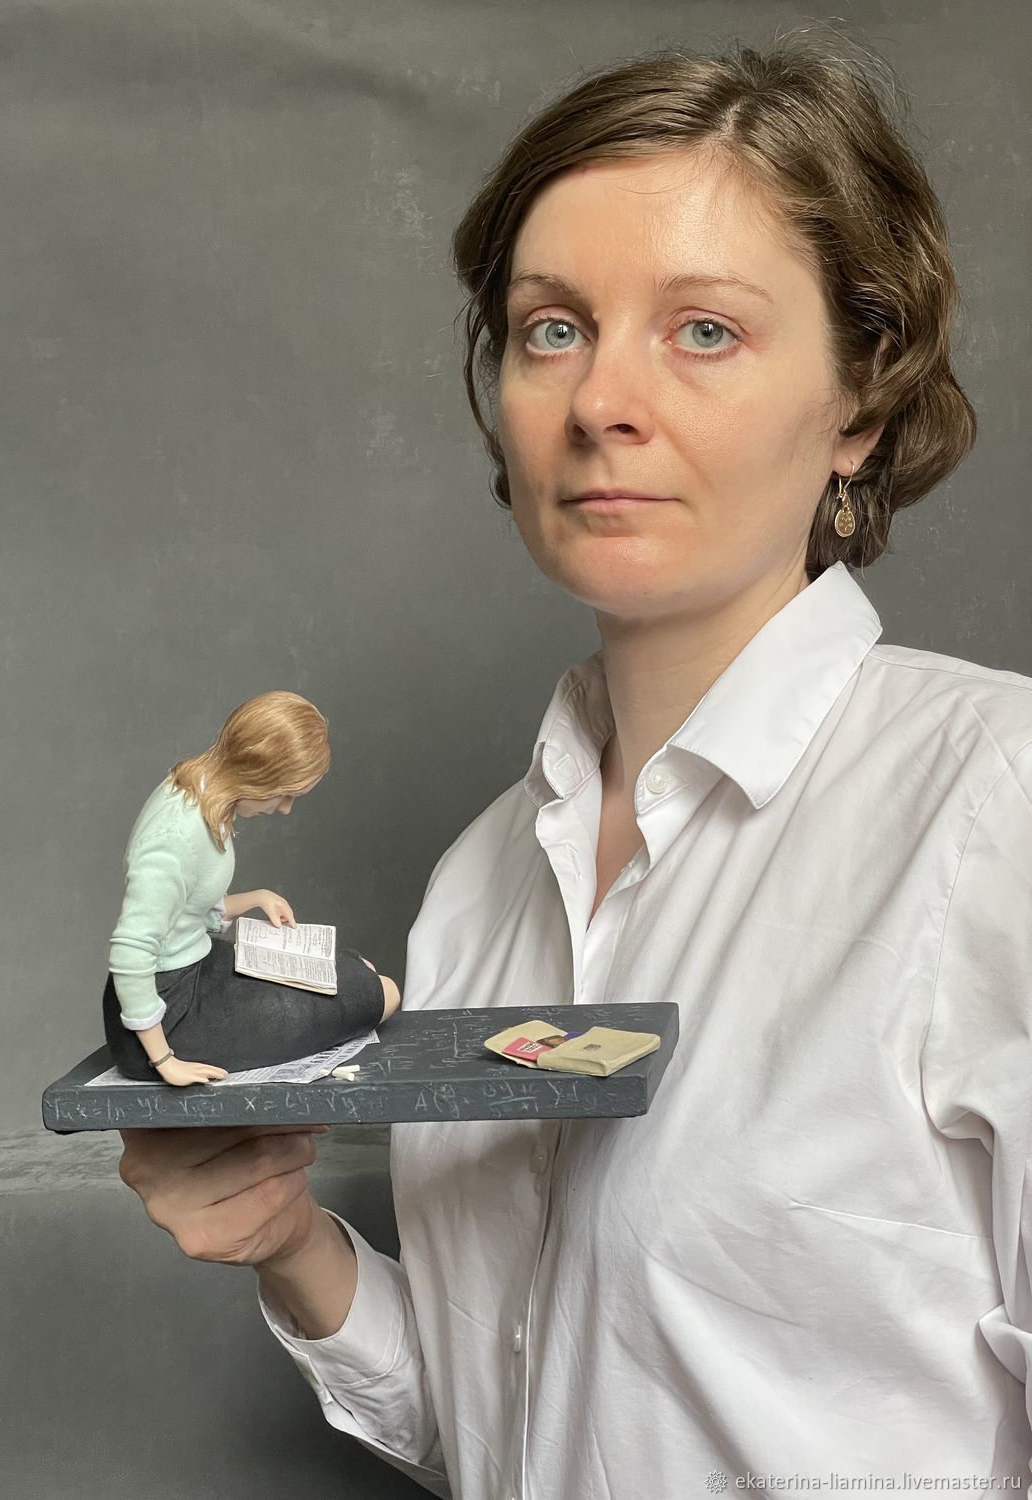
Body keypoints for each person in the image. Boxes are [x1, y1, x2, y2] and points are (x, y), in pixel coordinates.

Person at [115, 34, 1032, 1496]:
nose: (603, 399)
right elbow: (517, 1426)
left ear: (857, 407)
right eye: (553, 328)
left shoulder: (997, 809)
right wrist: (289, 1240)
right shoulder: (478, 885)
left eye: (704, 330)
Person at [103, 689, 400, 1086]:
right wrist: (164, 1061)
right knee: (383, 993)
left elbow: (183, 910)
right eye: (285, 793)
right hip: (168, 1017)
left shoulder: (200, 788)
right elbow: (131, 953)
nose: (285, 808)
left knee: (362, 971)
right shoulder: (175, 834)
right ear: (257, 773)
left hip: (195, 972)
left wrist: (255, 898)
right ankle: (160, 1055)